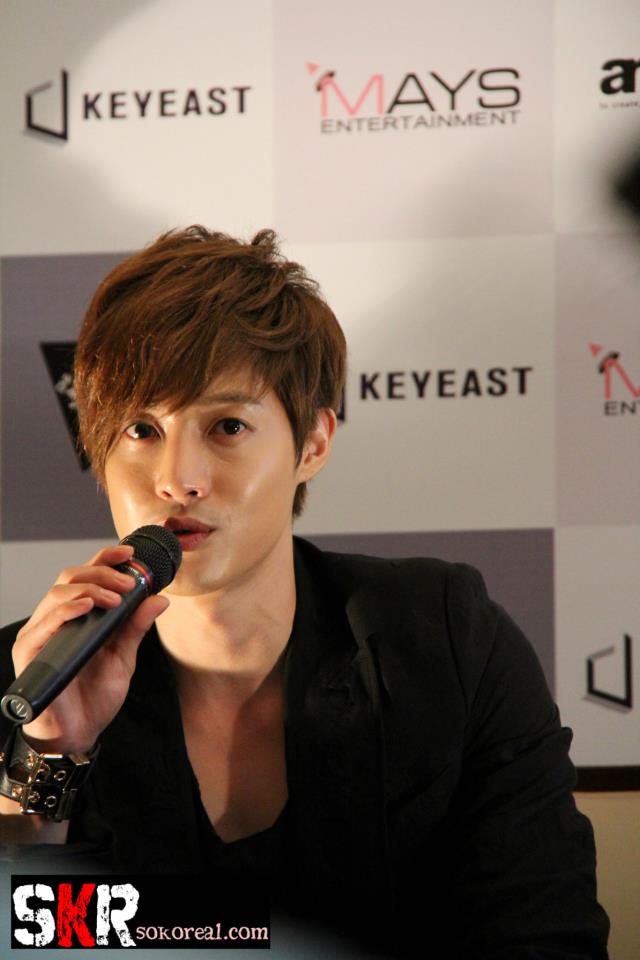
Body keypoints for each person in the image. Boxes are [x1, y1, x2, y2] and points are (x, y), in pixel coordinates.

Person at [0, 227, 609, 957]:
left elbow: (547, 933)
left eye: (227, 426)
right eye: (140, 429)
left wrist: (207, 931)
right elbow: (26, 935)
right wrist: (48, 755)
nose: (177, 479)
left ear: (313, 443)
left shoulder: (446, 640)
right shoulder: (30, 675)